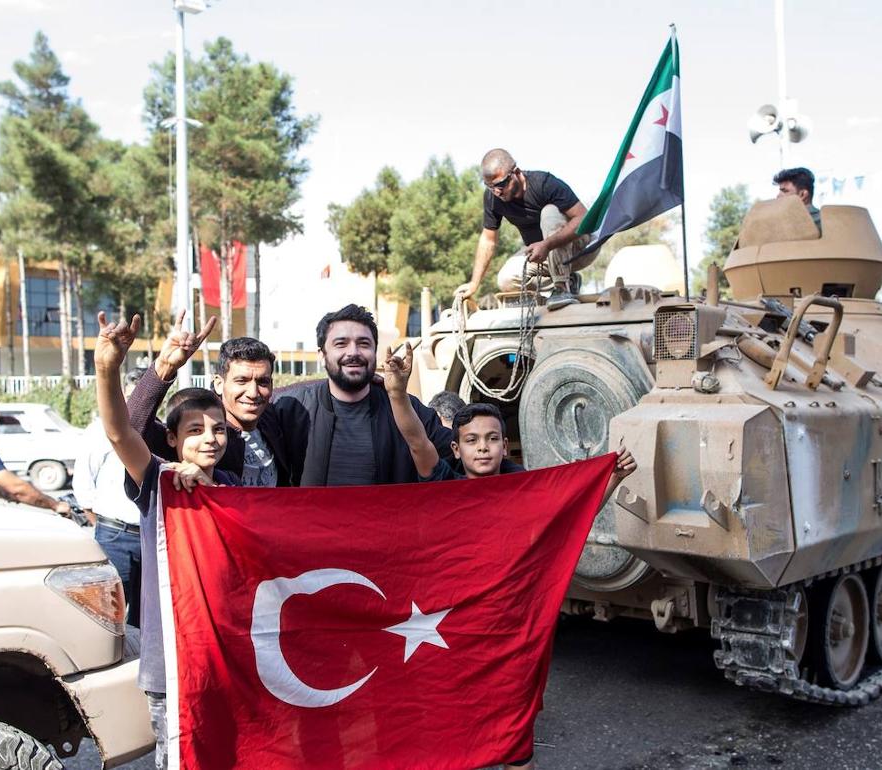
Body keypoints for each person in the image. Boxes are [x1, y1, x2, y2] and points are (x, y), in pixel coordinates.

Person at [381, 343, 636, 770]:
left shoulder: (524, 491)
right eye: (472, 441)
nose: (483, 448)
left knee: (514, 732)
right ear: (457, 449)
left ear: (505, 446)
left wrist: (610, 477)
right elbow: (415, 438)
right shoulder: (443, 481)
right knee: (452, 721)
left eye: (492, 439)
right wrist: (396, 392)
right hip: (451, 622)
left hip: (508, 624)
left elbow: (576, 514)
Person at [93, 311, 255, 770]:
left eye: (219, 429)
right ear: (172, 438)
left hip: (229, 655)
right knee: (180, 758)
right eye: (196, 430)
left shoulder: (234, 488)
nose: (210, 439)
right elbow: (120, 430)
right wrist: (110, 366)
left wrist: (211, 489)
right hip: (172, 663)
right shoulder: (158, 481)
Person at [269, 304, 457, 486]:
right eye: (341, 344)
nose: (353, 352)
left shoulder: (408, 409)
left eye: (363, 344)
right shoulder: (290, 409)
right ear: (321, 355)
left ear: (375, 352)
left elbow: (462, 457)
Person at [127, 310, 291, 487]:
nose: (253, 392)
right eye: (241, 381)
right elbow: (131, 428)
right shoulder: (192, 436)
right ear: (219, 384)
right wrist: (165, 367)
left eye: (263, 382)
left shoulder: (275, 422)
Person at [454, 148, 598, 311]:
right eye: (490, 187)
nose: (497, 191)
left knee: (549, 212)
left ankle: (562, 286)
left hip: (580, 249)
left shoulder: (544, 183)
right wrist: (474, 283)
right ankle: (569, 280)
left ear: (515, 172)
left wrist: (547, 244)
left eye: (501, 184)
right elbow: (488, 240)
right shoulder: (493, 198)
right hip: (544, 256)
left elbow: (585, 219)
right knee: (506, 279)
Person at [74, 367, 146, 626]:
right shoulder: (100, 430)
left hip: (149, 535)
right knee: (107, 611)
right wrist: (101, 524)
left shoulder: (157, 428)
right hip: (114, 533)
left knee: (145, 613)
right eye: (132, 397)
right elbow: (84, 482)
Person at [773, 166, 822, 233]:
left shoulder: (779, 226)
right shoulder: (828, 221)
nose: (778, 196)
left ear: (802, 195)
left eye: (785, 191)